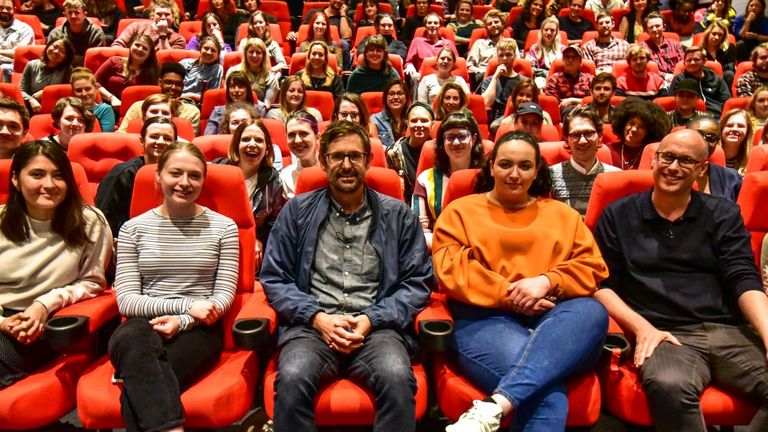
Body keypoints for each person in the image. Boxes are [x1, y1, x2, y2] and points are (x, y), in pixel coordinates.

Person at [260, 120, 432, 432]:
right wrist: (316, 317)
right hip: (311, 327)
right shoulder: (296, 212)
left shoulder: (398, 215)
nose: (347, 165)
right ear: (323, 161)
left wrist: (371, 318)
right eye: (338, 157)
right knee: (293, 376)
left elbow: (417, 282)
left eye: (355, 156)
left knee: (396, 377)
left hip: (377, 329)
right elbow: (274, 278)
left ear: (368, 160)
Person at [593, 128, 768, 432]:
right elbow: (600, 285)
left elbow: (743, 278)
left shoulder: (723, 213)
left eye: (686, 161)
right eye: (668, 157)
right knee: (669, 385)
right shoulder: (618, 214)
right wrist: (642, 328)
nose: (673, 167)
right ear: (655, 160)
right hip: (664, 333)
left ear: (702, 169)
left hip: (727, 330)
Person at [434, 130, 610, 432]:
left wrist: (546, 281)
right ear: (491, 167)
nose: (514, 174)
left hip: (556, 319)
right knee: (547, 396)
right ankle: (504, 401)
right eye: (505, 165)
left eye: (525, 166)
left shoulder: (562, 215)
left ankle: (493, 407)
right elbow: (451, 269)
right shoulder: (460, 212)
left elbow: (592, 267)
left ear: (537, 170)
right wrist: (510, 294)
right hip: (485, 319)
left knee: (592, 312)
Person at [108, 142, 240, 432]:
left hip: (200, 328)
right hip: (141, 327)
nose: (185, 183)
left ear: (204, 181)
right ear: (158, 176)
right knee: (134, 341)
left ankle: (130, 375)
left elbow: (224, 295)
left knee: (139, 385)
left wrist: (184, 321)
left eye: (194, 176)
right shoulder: (132, 229)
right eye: (175, 173)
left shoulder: (225, 228)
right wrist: (184, 305)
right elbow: (127, 301)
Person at [0, 140, 112, 388]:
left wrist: (44, 304)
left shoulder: (89, 221)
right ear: (16, 180)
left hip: (46, 322)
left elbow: (93, 282)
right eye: (37, 175)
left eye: (58, 176)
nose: (49, 185)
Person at [413, 111, 485, 250]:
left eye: (462, 136)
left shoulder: (489, 177)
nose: (456, 143)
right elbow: (420, 231)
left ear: (474, 139)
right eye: (450, 137)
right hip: (440, 249)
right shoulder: (425, 179)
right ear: (442, 142)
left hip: (484, 249)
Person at [96, 117, 177, 236]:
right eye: (154, 136)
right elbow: (105, 217)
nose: (160, 142)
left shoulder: (181, 175)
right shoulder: (122, 173)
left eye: (167, 138)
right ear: (142, 140)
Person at [213, 119, 286, 247]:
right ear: (236, 145)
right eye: (246, 139)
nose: (252, 144)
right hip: (216, 238)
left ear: (267, 149)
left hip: (252, 240)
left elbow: (273, 223)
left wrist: (258, 239)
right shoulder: (217, 170)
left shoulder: (272, 179)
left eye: (259, 140)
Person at [550, 106, 620, 215]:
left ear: (600, 137)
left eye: (588, 133)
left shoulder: (616, 177)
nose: (582, 141)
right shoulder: (551, 176)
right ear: (566, 140)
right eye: (575, 135)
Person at [117, 62, 200, 133]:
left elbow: (189, 143)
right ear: (160, 82)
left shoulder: (191, 112)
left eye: (178, 84)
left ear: (183, 86)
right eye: (168, 82)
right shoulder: (138, 107)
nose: (173, 87)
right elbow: (122, 135)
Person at [686, 115, 743, 201]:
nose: (703, 142)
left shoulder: (731, 177)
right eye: (698, 134)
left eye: (711, 138)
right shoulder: (669, 170)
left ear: (717, 143)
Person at [95, 34, 159, 110]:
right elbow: (93, 82)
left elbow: (154, 95)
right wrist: (111, 98)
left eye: (144, 48)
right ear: (131, 46)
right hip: (108, 105)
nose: (139, 49)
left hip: (136, 110)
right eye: (137, 45)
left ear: (149, 54)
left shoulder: (152, 72)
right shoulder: (114, 61)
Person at [387, 102, 435, 203]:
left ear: (432, 124)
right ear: (407, 123)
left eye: (424, 121)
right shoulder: (393, 153)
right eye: (414, 121)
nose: (419, 125)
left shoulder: (441, 150)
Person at [610, 97, 671, 169]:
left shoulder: (652, 154)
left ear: (649, 131)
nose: (634, 129)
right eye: (631, 123)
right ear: (623, 123)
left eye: (641, 126)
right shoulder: (608, 150)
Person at [670, 46, 730, 117]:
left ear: (704, 61)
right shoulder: (680, 80)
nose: (692, 63)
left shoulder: (716, 79)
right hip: (691, 117)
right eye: (689, 60)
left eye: (696, 59)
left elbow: (726, 101)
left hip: (716, 116)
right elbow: (673, 101)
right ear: (684, 63)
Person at [20, 36, 75, 113]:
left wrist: (45, 92)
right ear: (48, 45)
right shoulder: (31, 65)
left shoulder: (67, 69)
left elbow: (67, 91)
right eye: (55, 46)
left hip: (57, 109)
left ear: (66, 57)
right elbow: (22, 90)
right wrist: (31, 100)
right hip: (32, 108)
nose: (56, 51)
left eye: (62, 51)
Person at [204, 71, 266, 135]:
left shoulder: (260, 110)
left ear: (247, 90)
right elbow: (207, 138)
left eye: (241, 86)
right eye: (232, 86)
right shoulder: (218, 111)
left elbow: (263, 135)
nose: (236, 90)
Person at [404, 13, 459, 83]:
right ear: (425, 26)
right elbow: (409, 61)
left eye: (435, 23)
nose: (432, 25)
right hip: (423, 78)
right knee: (414, 77)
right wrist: (409, 66)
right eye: (429, 23)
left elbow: (457, 63)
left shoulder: (448, 43)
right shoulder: (417, 41)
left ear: (440, 26)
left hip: (445, 78)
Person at [477, 38, 523, 123]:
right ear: (497, 57)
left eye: (508, 55)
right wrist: (495, 77)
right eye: (501, 55)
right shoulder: (489, 80)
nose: (505, 58)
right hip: (498, 120)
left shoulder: (523, 81)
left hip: (521, 116)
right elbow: (486, 103)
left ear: (514, 56)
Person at [47, 0, 105, 66]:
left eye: (77, 12)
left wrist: (66, 58)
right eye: (69, 13)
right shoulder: (55, 33)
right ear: (65, 15)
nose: (73, 16)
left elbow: (96, 60)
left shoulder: (96, 33)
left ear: (85, 14)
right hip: (61, 70)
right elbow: (50, 59)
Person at [297, 0, 352, 69]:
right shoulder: (313, 13)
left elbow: (338, 68)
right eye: (317, 23)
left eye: (323, 24)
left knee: (344, 43)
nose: (320, 26)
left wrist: (343, 14)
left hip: (329, 75)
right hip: (307, 75)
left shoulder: (335, 46)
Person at [543, 45, 594, 118]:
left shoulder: (589, 78)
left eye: (574, 57)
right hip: (564, 113)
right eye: (567, 57)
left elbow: (595, 99)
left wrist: (573, 100)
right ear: (563, 60)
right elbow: (552, 102)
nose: (570, 60)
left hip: (587, 111)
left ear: (579, 61)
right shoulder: (554, 78)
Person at [112, 0, 185, 50]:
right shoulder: (136, 26)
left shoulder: (178, 40)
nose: (163, 17)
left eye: (167, 14)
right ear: (152, 16)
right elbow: (117, 44)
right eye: (159, 14)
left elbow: (167, 60)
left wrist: (163, 35)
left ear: (173, 18)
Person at [281, 110, 321, 198]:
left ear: (317, 137)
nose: (297, 140)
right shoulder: (286, 176)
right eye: (291, 135)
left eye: (304, 133)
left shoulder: (333, 170)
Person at [228, 37, 279, 104]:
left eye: (258, 53)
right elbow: (227, 97)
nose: (254, 55)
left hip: (257, 111)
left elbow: (266, 105)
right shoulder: (233, 72)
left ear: (263, 55)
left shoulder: (271, 79)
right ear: (245, 54)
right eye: (251, 52)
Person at [640, 13, 685, 84]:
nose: (655, 29)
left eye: (657, 26)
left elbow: (683, 64)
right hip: (654, 81)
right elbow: (645, 69)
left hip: (677, 80)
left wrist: (675, 77)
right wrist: (666, 76)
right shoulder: (642, 47)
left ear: (664, 27)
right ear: (646, 30)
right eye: (651, 27)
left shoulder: (675, 44)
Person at [467, 9, 506, 88]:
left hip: (505, 76)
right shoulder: (479, 43)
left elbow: (516, 64)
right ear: (486, 27)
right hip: (484, 77)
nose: (493, 25)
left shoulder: (510, 43)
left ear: (502, 24)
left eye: (496, 22)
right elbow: (469, 65)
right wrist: (482, 71)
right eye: (490, 23)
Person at [178, 36, 223, 105]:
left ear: (218, 55)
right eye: (206, 48)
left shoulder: (217, 69)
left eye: (213, 50)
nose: (209, 52)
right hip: (174, 99)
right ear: (200, 49)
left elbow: (212, 97)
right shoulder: (184, 63)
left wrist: (189, 96)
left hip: (194, 104)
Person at [69, 67, 114, 132]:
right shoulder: (68, 110)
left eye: (88, 89)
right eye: (79, 90)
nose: (84, 94)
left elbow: (105, 138)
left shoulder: (105, 109)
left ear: (95, 88)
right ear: (73, 92)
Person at [0, 0, 35, 82]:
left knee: (4, 69)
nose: (4, 11)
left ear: (14, 10)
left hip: (13, 65)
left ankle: (6, 93)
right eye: (1, 8)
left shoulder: (25, 29)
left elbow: (21, 54)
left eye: (8, 8)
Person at [525, 16, 565, 88]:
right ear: (542, 31)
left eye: (552, 30)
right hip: (540, 79)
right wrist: (545, 73)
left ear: (556, 33)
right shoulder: (535, 48)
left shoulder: (563, 49)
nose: (549, 33)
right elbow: (529, 68)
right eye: (546, 30)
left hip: (560, 80)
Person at [372, 78, 410, 149]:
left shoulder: (413, 119)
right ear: (385, 98)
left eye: (400, 93)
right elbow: (375, 147)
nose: (395, 97)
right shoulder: (375, 120)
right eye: (391, 94)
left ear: (406, 97)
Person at [697, 20, 737, 87]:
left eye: (720, 35)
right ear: (708, 33)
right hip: (706, 79)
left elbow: (730, 67)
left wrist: (716, 67)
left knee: (729, 74)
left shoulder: (730, 48)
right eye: (714, 34)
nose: (716, 37)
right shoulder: (700, 50)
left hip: (724, 80)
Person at [720, 108, 752, 174]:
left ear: (747, 132)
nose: (734, 129)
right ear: (721, 129)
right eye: (729, 125)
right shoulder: (709, 154)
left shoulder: (753, 158)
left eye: (740, 126)